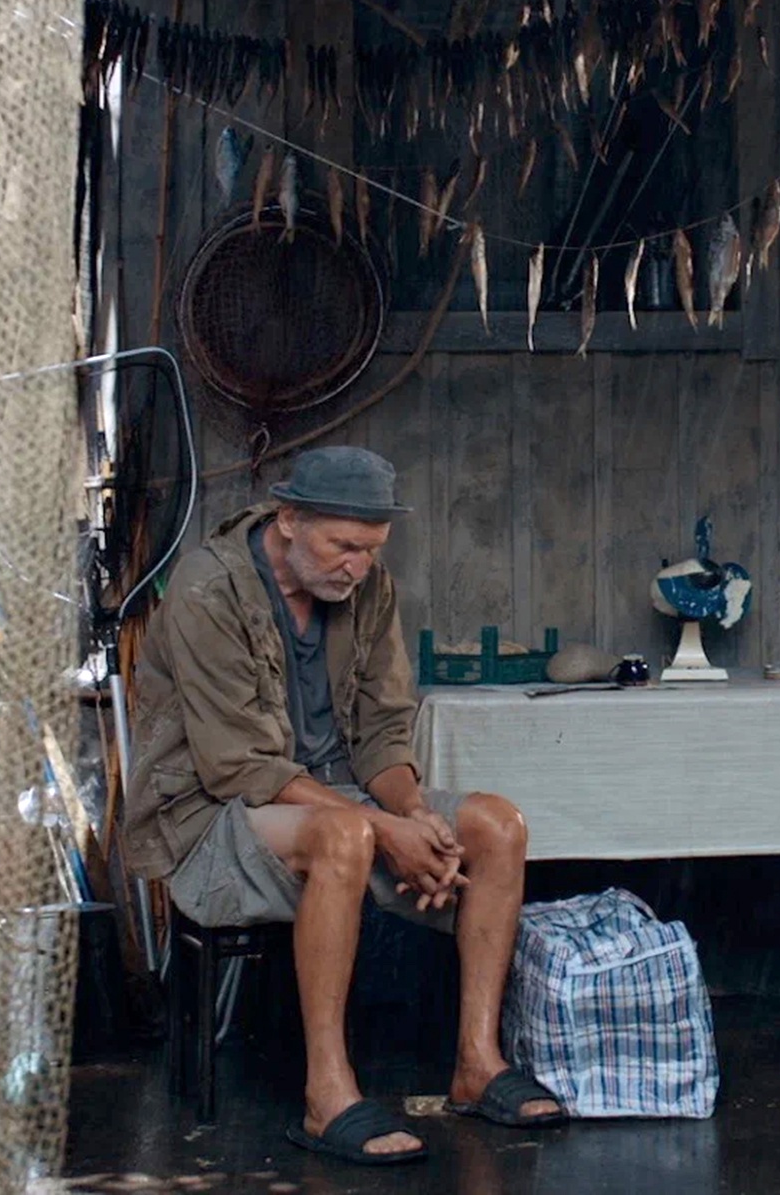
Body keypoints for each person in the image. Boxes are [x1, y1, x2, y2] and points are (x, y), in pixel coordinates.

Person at [125, 446, 565, 1166]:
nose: (358, 566)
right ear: (288, 519)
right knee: (344, 837)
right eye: (344, 546)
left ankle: (477, 1062)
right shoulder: (209, 588)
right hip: (212, 815)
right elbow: (241, 763)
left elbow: (383, 729)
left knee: (496, 826)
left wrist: (413, 813)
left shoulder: (365, 587)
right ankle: (327, 1094)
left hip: (340, 800)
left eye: (372, 549)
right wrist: (382, 830)